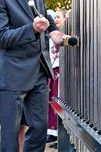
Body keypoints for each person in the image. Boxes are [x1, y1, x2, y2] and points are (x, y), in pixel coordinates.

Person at [0, 0, 76, 151]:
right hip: (12, 75)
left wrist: (54, 32)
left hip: (38, 70)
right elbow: (1, 37)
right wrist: (32, 29)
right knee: (11, 134)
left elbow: (43, 13)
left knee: (40, 127)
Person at [46, 9, 66, 146]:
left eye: (58, 17)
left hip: (61, 71)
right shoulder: (50, 34)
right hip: (51, 70)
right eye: (55, 17)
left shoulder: (65, 33)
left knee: (58, 102)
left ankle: (59, 133)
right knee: (51, 101)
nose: (56, 20)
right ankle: (52, 131)